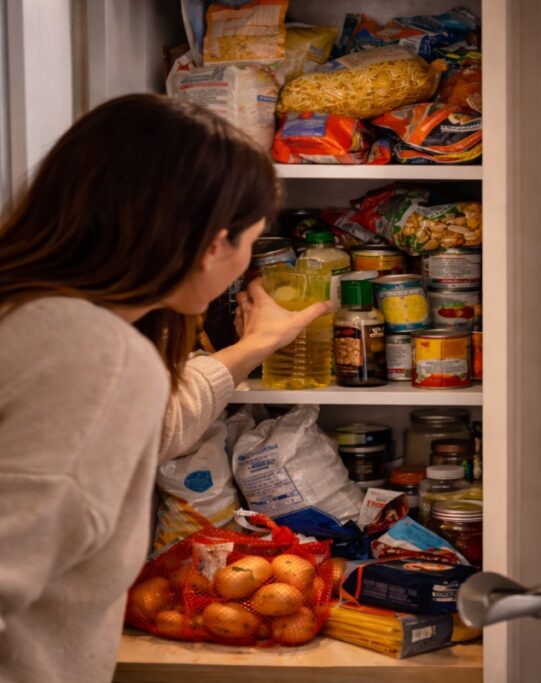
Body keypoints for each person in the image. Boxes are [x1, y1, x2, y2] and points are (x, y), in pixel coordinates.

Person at [0, 94, 329, 682]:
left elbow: (150, 428)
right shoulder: (95, 353)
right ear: (210, 243)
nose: (245, 260)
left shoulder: (35, 315)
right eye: (249, 240)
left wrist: (256, 346)